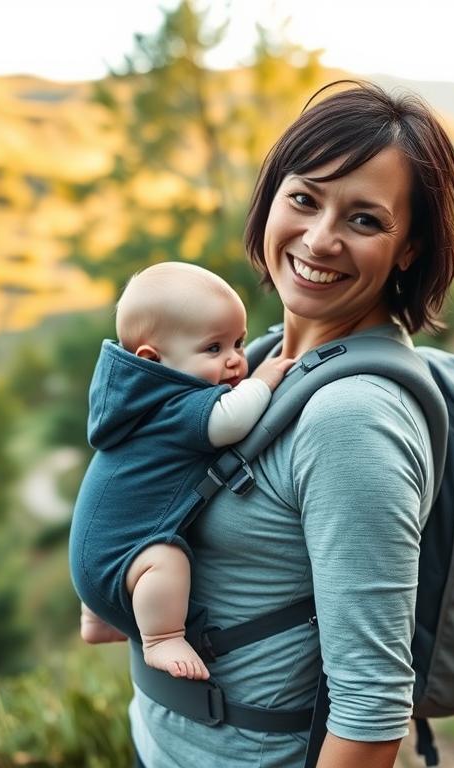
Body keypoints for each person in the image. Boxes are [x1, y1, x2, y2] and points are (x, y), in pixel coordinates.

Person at [107, 80, 454, 768]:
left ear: (411, 247)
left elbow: (370, 710)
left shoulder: (350, 420)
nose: (320, 238)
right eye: (304, 199)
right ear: (271, 197)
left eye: (365, 220)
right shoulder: (266, 359)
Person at [69, 261, 295, 681]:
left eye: (239, 344)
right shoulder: (176, 405)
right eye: (214, 349)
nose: (234, 361)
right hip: (126, 566)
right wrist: (261, 381)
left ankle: (100, 619)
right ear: (153, 358)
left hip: (91, 558)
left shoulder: (134, 404)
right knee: (166, 558)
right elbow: (230, 421)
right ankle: (162, 638)